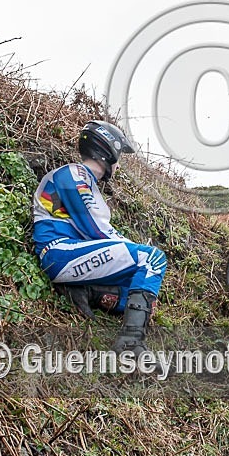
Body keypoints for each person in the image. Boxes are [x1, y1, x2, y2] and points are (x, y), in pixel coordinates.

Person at [32, 120, 167, 355]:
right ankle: (130, 344)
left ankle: (84, 292)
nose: (119, 165)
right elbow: (96, 229)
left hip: (70, 254)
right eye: (120, 156)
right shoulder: (73, 174)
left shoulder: (84, 181)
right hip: (60, 251)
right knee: (152, 259)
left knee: (135, 290)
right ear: (108, 149)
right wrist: (138, 251)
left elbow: (96, 229)